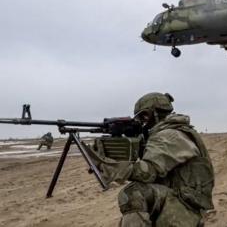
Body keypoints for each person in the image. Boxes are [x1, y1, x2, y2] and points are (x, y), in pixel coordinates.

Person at [86, 92, 215, 227]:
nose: (142, 122)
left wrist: (109, 166)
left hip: (185, 209)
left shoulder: (170, 136)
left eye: (143, 117)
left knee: (133, 193)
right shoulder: (171, 132)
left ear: (151, 114)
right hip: (179, 200)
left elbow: (147, 173)